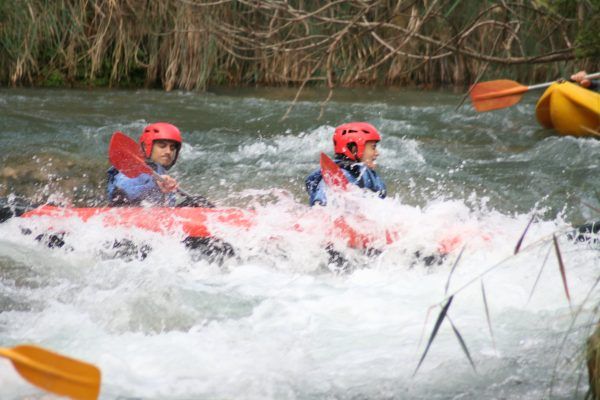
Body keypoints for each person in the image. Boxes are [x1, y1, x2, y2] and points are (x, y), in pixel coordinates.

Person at [107, 122, 213, 207]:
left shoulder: (161, 174)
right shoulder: (131, 168)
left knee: (196, 202)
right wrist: (154, 184)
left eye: (172, 148)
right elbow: (122, 190)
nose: (168, 151)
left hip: (152, 222)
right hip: (126, 220)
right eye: (162, 146)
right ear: (146, 146)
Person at [305, 122, 386, 206]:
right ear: (354, 150)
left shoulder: (365, 173)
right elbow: (320, 205)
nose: (377, 153)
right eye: (373, 147)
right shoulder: (336, 176)